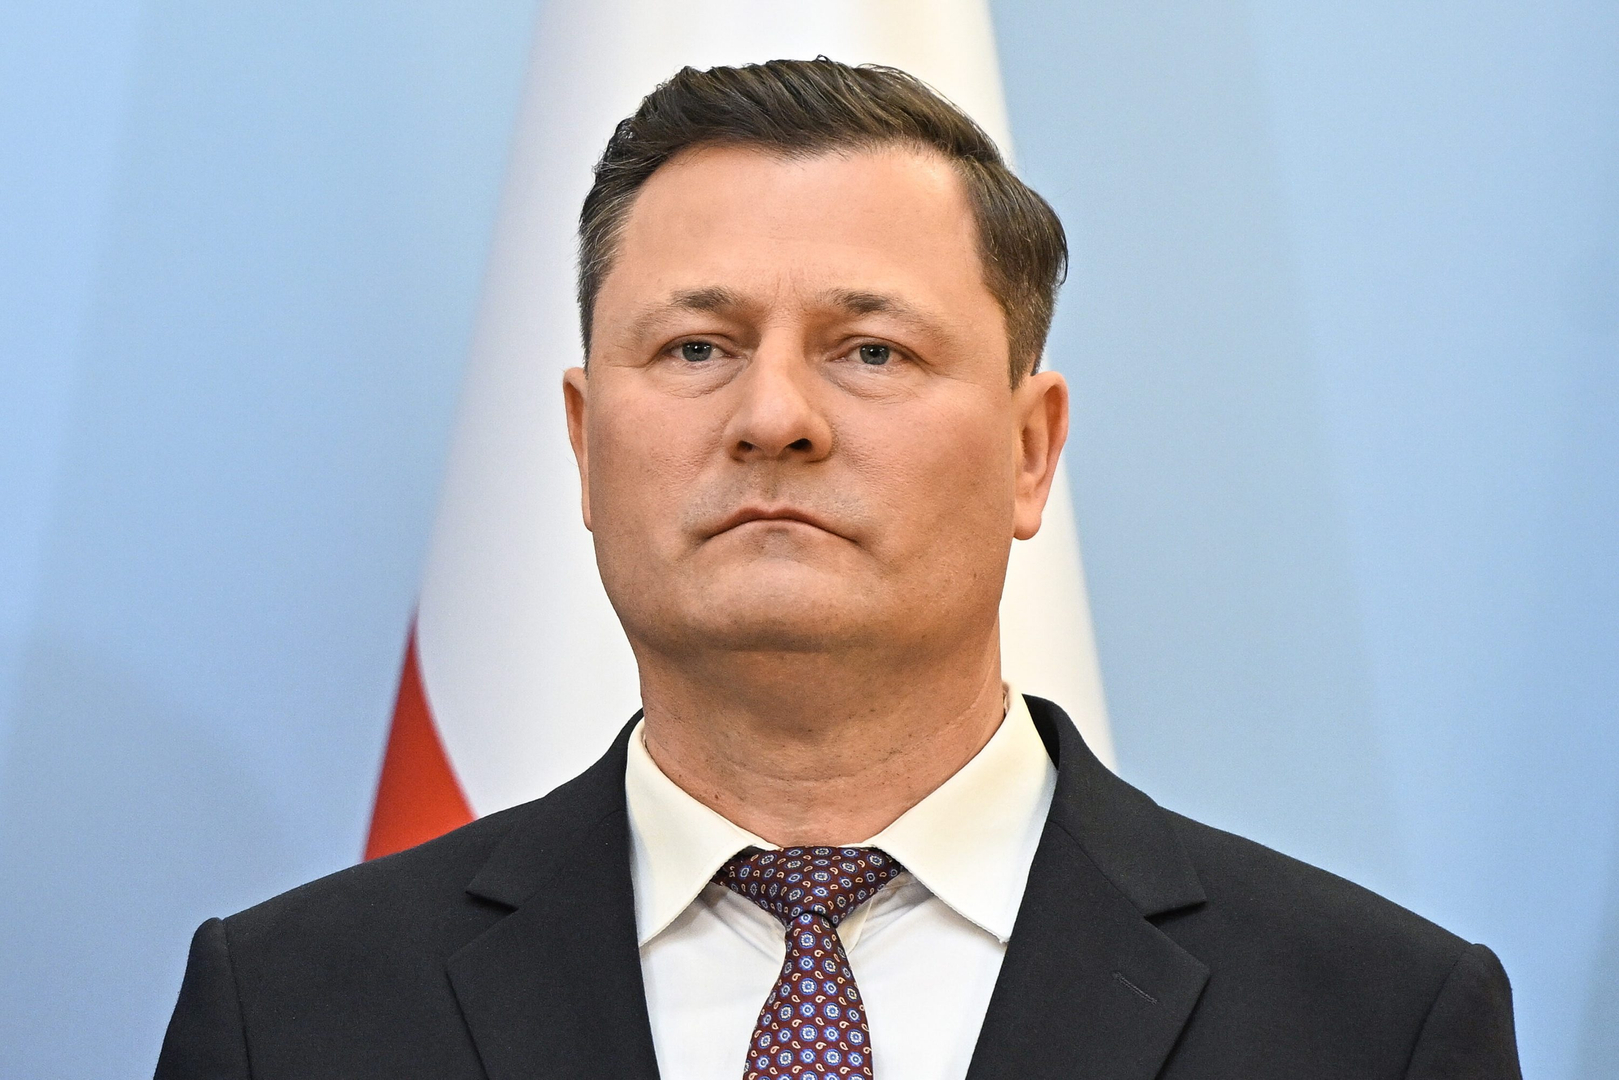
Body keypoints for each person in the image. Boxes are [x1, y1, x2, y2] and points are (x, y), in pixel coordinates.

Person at [155, 58, 1521, 1080]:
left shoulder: (1374, 1022)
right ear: (582, 443)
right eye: (696, 348)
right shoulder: (291, 1014)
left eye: (871, 350)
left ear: (1031, 449)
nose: (774, 417)